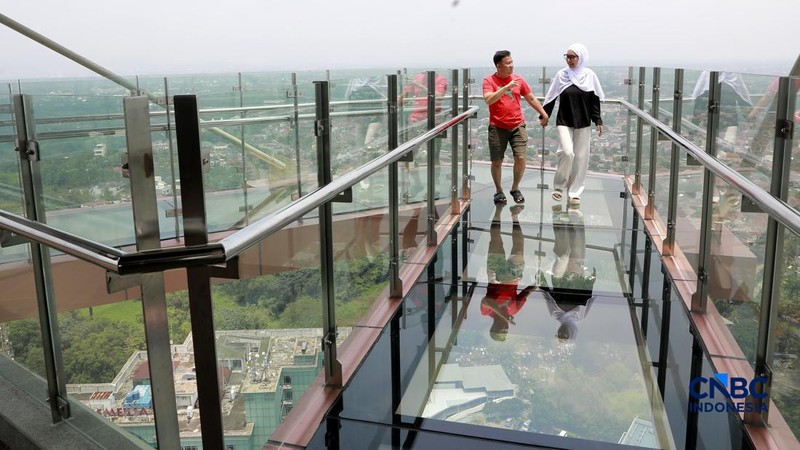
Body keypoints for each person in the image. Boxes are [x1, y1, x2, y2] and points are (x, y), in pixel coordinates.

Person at [483, 50, 549, 205]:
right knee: (497, 161)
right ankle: (499, 191)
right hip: (497, 127)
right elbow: (488, 100)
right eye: (508, 63)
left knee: (520, 157)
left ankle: (515, 188)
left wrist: (543, 113)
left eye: (512, 62)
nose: (511, 66)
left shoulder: (519, 79)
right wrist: (506, 88)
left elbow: (530, 98)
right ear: (499, 66)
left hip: (517, 125)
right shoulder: (489, 80)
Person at [542, 43, 604, 207]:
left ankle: (574, 192)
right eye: (567, 57)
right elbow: (551, 96)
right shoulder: (562, 75)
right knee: (567, 152)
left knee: (581, 158)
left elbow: (594, 100)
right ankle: (558, 187)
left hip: (583, 121)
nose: (569, 60)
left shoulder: (589, 75)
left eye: (572, 57)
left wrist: (597, 120)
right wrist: (545, 115)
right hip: (564, 120)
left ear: (581, 57)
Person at [539, 205, 596, 343]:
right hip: (577, 272)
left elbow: (546, 293)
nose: (560, 333)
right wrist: (591, 277)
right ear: (572, 334)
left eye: (558, 335)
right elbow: (588, 295)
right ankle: (574, 213)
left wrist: (539, 277)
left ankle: (557, 216)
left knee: (564, 253)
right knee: (578, 241)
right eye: (564, 336)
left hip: (560, 275)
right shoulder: (580, 316)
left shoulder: (555, 314)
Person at [480, 203, 536, 341]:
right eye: (506, 331)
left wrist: (502, 314)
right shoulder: (514, 310)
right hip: (513, 276)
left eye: (501, 330)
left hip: (495, 274)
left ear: (493, 328)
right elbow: (525, 293)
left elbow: (487, 301)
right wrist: (538, 284)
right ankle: (514, 216)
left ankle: (498, 209)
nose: (505, 328)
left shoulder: (486, 312)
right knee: (519, 247)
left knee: (496, 238)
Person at [401, 72, 449, 198]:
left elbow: (438, 97)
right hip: (416, 121)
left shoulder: (440, 79)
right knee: (408, 156)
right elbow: (402, 102)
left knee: (434, 157)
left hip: (434, 121)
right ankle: (417, 183)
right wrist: (404, 92)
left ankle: (433, 187)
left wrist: (420, 86)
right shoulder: (417, 77)